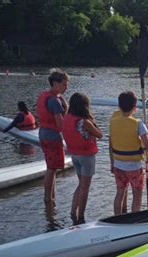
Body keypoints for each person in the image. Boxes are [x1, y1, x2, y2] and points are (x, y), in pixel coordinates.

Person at [109, 91, 148, 215]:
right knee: (137, 195)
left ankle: (117, 218)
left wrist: (112, 162)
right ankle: (134, 219)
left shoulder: (113, 121)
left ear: (119, 106)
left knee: (120, 192)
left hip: (118, 164)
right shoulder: (138, 123)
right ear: (135, 108)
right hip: (134, 167)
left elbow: (111, 143)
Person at [62, 93, 102, 224]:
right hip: (86, 157)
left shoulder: (67, 118)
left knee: (80, 185)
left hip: (75, 156)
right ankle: (81, 217)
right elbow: (100, 134)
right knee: (85, 188)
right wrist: (93, 122)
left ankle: (73, 213)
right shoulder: (85, 122)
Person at [36, 69, 69, 208]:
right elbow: (61, 124)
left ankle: (51, 198)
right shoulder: (55, 101)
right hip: (52, 136)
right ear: (55, 84)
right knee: (51, 169)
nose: (66, 88)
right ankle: (48, 199)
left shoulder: (45, 95)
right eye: (63, 85)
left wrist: (63, 102)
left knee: (52, 168)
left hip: (43, 133)